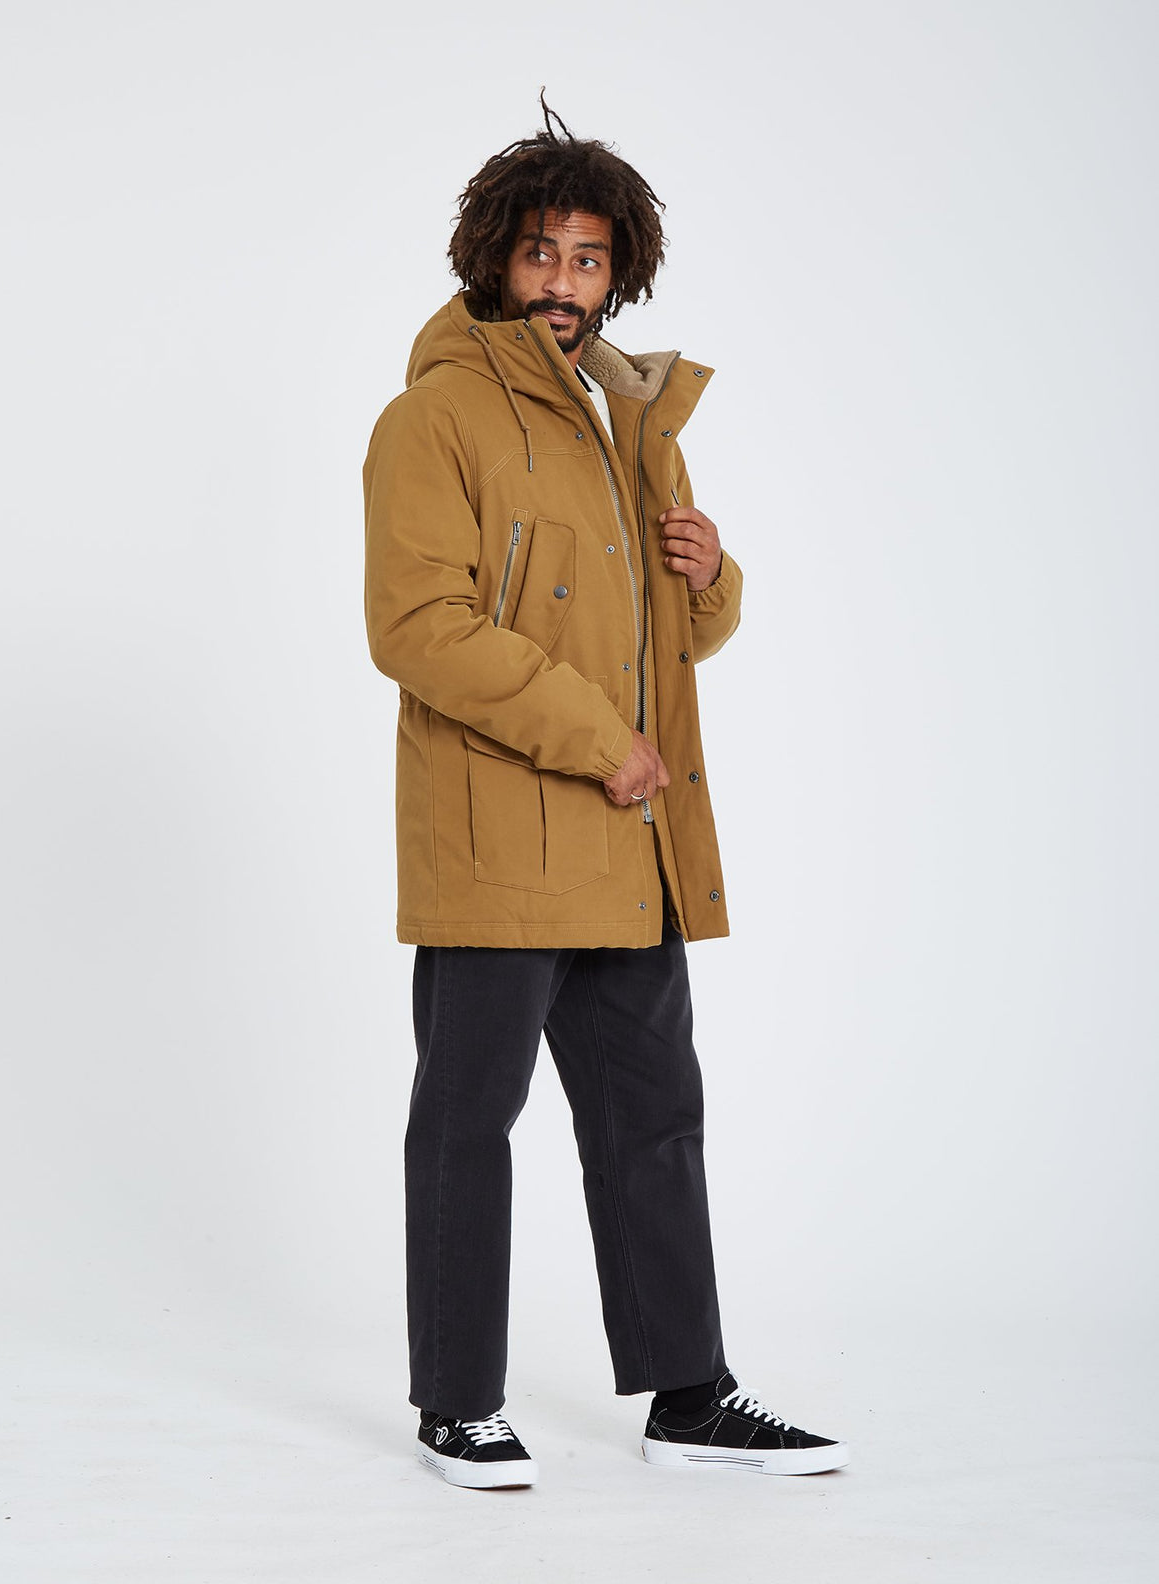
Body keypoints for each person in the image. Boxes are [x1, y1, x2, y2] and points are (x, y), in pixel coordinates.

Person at [362, 97, 848, 1489]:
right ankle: (458, 1404)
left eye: (588, 258)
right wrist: (593, 735)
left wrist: (714, 576)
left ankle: (690, 1395)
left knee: (654, 1121)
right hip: (497, 841)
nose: (564, 282)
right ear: (492, 257)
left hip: (628, 844)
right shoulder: (433, 418)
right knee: (469, 1123)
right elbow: (418, 627)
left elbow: (671, 640)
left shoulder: (634, 419)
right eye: (541, 253)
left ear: (618, 270)